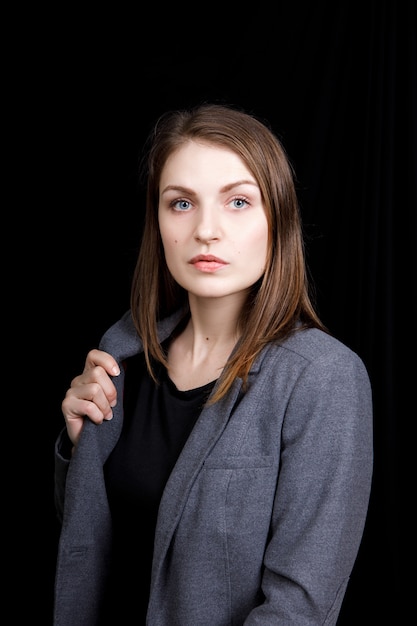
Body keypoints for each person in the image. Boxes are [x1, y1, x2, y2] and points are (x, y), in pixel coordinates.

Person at [53, 103, 373, 625]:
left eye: (239, 202)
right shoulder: (122, 354)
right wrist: (75, 447)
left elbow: (299, 609)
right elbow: (95, 549)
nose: (206, 230)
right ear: (158, 220)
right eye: (181, 203)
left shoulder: (322, 378)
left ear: (279, 218)